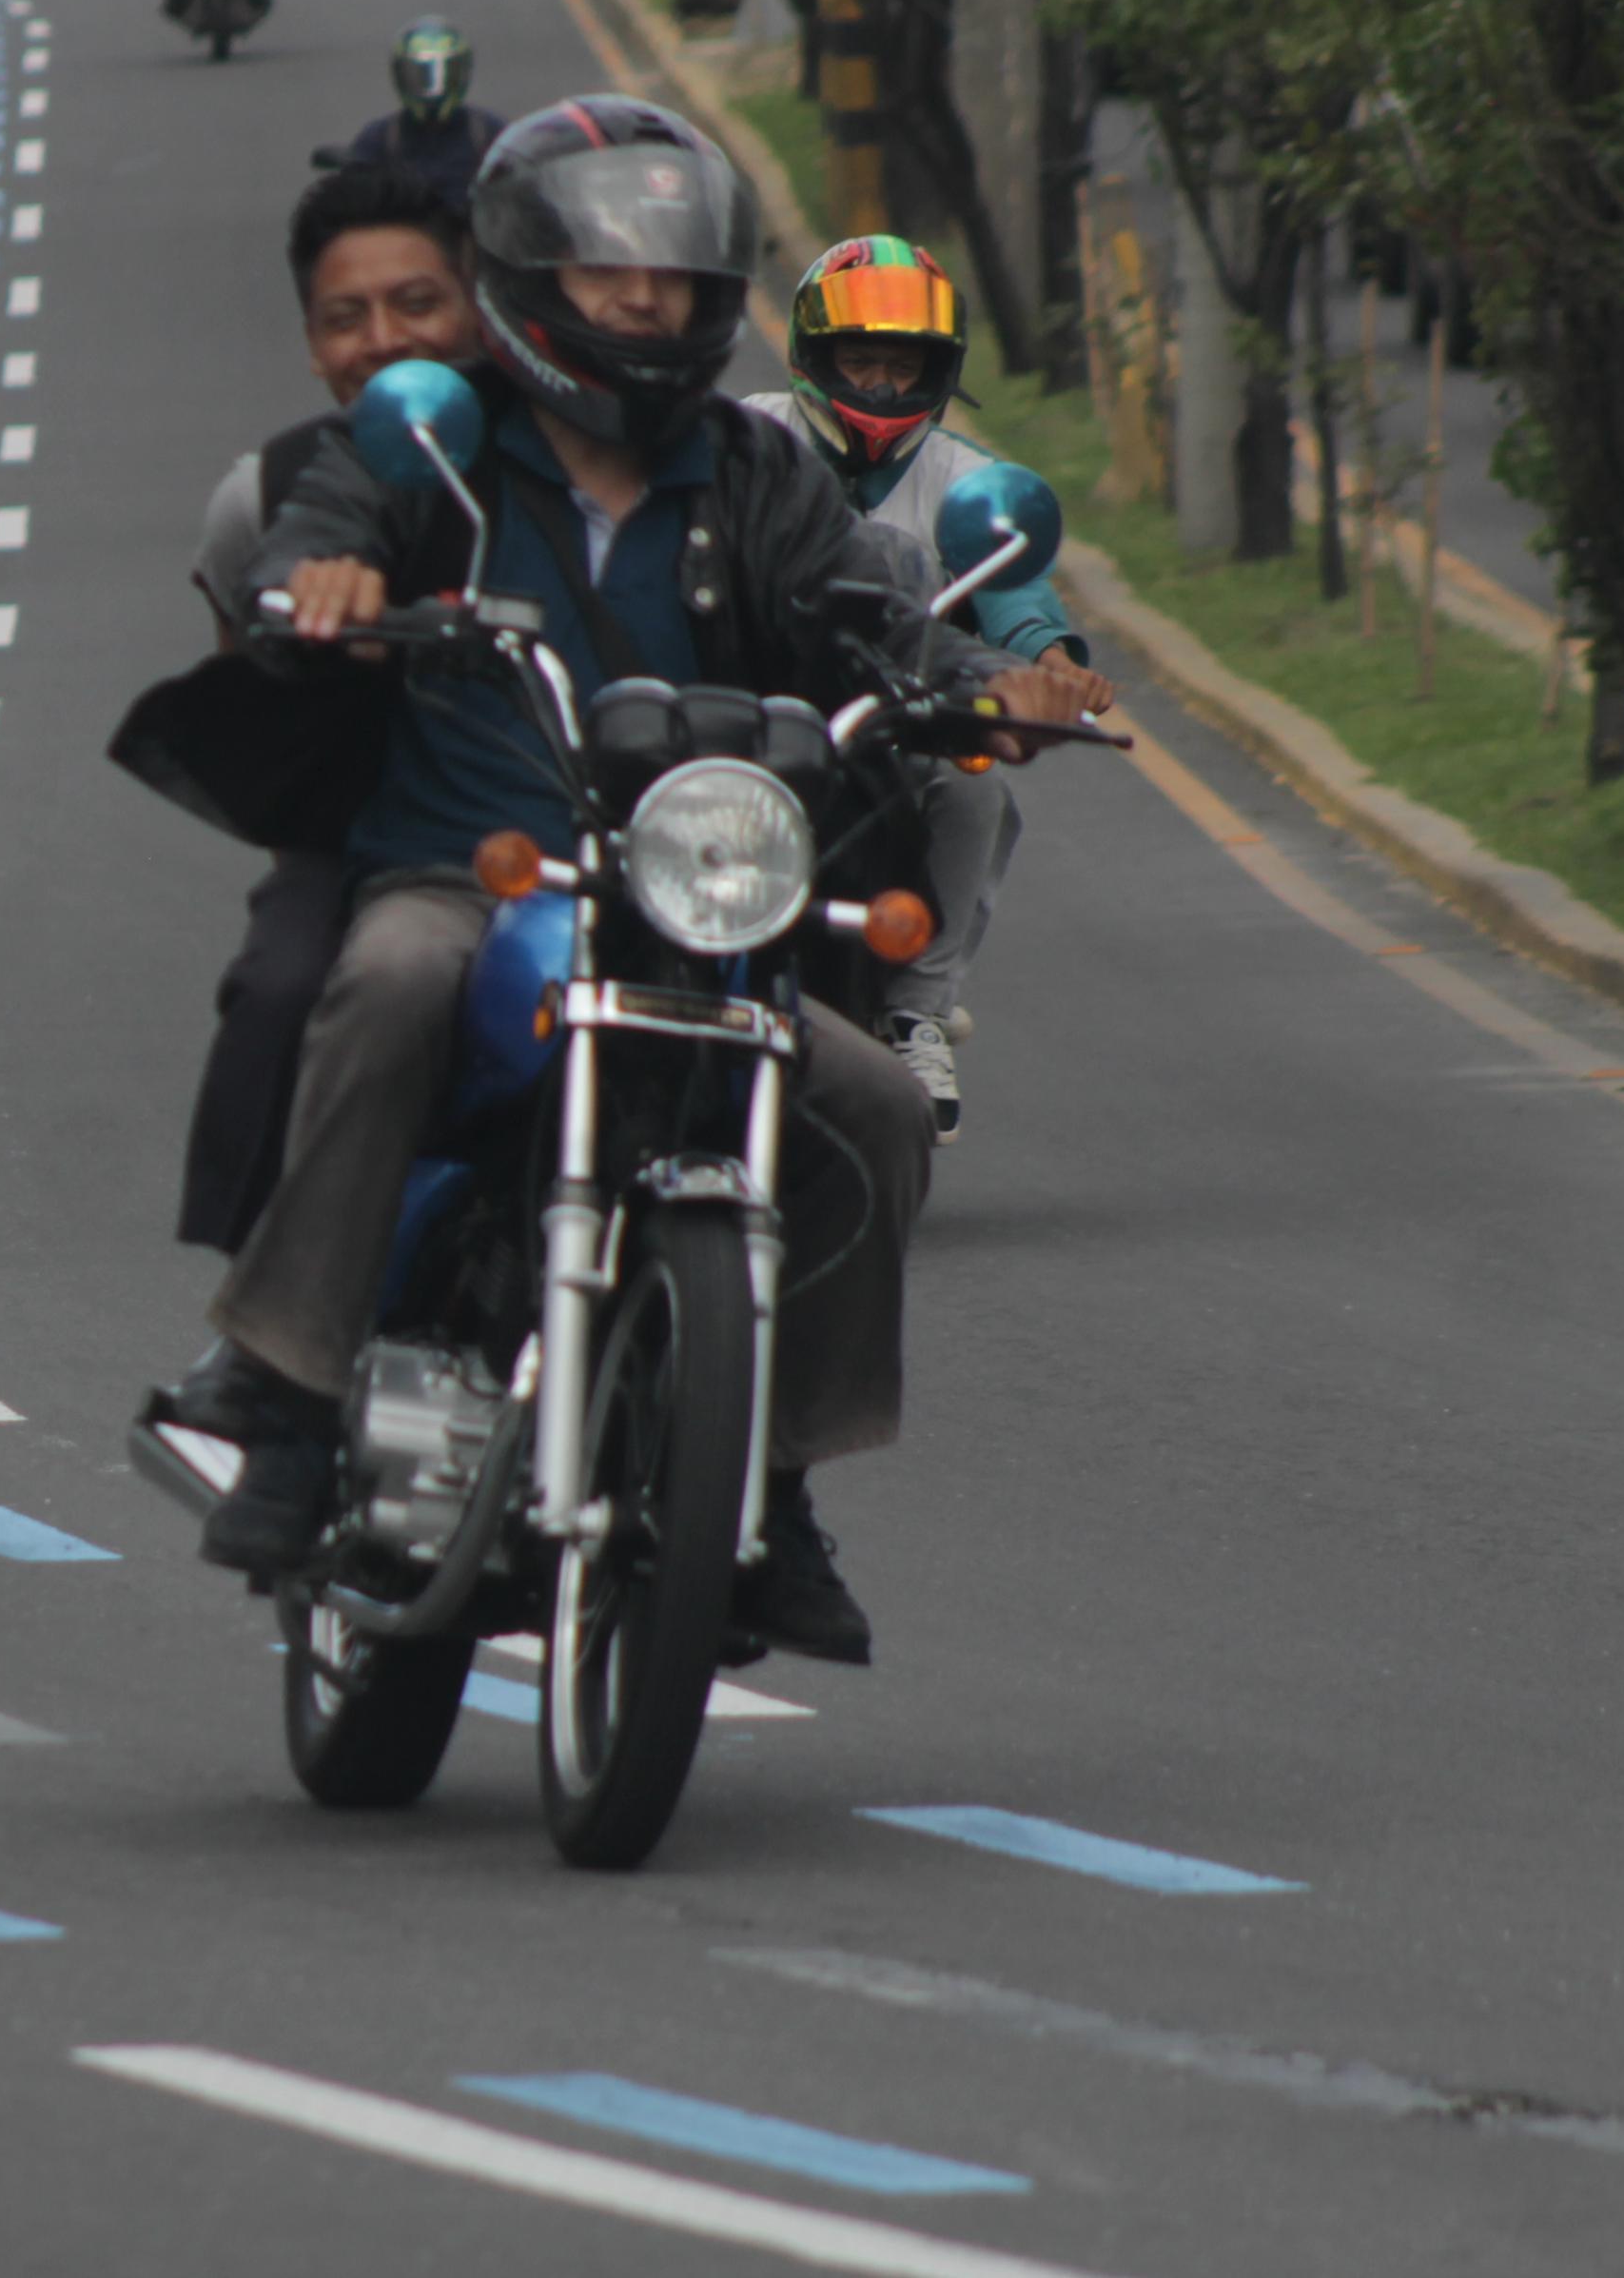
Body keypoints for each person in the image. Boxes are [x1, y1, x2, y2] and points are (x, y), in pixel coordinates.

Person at [153, 97, 1112, 1661]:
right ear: (532, 273)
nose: (646, 303)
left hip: (693, 900)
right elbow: (323, 516)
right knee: (387, 978)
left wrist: (995, 678)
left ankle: (780, 1477)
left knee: (871, 1099)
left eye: (671, 276)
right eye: (611, 276)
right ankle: (292, 1386)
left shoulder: (754, 469)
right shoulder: (437, 439)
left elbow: (868, 612)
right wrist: (322, 576)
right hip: (475, 875)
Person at [174, 161, 488, 1257]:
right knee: (281, 987)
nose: (383, 340)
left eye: (417, 303)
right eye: (344, 318)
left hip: (574, 834)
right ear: (312, 346)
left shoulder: (562, 450)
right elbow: (244, 673)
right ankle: (258, 1316)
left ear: (480, 305)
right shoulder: (267, 491)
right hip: (366, 843)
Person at [739, 235, 1090, 1139]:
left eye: (905, 365)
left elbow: (1011, 580)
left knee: (977, 787)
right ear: (816, 360)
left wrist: (1049, 662)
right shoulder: (750, 443)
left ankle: (918, 1010)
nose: (886, 386)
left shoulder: (963, 479)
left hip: (898, 714)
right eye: (863, 360)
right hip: (757, 703)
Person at [337, 19, 500, 207]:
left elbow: (523, 188)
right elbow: (352, 193)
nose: (432, 90)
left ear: (462, 73)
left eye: (442, 74)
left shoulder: (488, 132)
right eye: (420, 76)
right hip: (407, 232)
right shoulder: (381, 137)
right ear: (400, 75)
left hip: (472, 232)